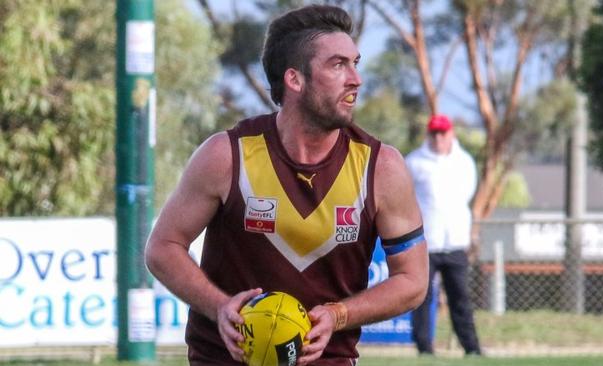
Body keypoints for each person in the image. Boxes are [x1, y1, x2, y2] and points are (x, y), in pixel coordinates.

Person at [145, 5, 428, 366]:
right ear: (294, 80)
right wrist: (219, 307)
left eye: (356, 63)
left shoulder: (381, 167)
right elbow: (163, 247)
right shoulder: (227, 155)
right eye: (338, 65)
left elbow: (413, 280)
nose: (355, 78)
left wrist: (337, 315)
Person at [405, 114, 482, 356]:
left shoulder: (464, 162)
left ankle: (471, 348)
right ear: (428, 135)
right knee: (421, 298)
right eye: (434, 133)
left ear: (451, 135)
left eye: (443, 133)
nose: (438, 138)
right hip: (425, 243)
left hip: (455, 242)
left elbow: (467, 194)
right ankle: (424, 348)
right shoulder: (414, 162)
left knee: (461, 298)